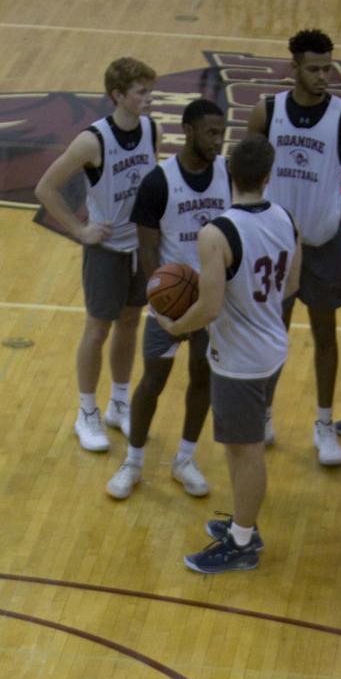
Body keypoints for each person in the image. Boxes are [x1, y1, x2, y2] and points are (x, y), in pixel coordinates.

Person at [153, 135, 301, 574]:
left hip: (241, 360)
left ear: (229, 173)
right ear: (268, 175)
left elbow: (210, 306)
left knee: (245, 451)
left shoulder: (215, 232)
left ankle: (242, 541)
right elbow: (292, 285)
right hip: (272, 346)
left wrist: (174, 327)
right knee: (244, 447)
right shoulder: (285, 217)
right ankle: (242, 527)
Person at [247, 27, 341, 466]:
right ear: (293, 68)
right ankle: (263, 413)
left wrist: (338, 214)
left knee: (326, 334)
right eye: (314, 69)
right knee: (270, 333)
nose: (323, 76)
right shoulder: (266, 112)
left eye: (328, 68)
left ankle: (323, 423)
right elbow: (245, 172)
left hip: (321, 242)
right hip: (276, 245)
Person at [105, 98, 229, 501]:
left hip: (212, 301)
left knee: (202, 376)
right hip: (171, 301)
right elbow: (147, 249)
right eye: (211, 132)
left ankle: (185, 459)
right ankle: (134, 462)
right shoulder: (159, 181)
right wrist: (159, 302)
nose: (218, 140)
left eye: (222, 133)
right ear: (189, 130)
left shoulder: (227, 174)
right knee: (153, 379)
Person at [36, 57, 158, 453]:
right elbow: (46, 188)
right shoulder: (93, 140)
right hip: (105, 249)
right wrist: (79, 230)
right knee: (97, 330)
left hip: (140, 245)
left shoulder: (151, 130)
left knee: (129, 324)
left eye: (149, 91)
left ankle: (118, 404)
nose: (149, 99)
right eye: (141, 92)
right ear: (117, 96)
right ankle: (86, 412)